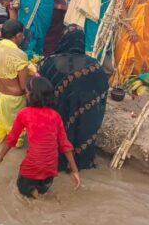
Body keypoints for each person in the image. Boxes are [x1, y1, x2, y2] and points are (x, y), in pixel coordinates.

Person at [0, 76, 81, 198]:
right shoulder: (55, 116)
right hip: (50, 168)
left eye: (27, 92)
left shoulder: (24, 114)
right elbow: (65, 145)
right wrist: (75, 171)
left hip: (32, 167)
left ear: (31, 95)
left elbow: (11, 140)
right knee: (42, 195)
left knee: (22, 196)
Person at [40, 25, 109, 170]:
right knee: (83, 131)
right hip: (85, 117)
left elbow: (41, 91)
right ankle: (80, 164)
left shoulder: (50, 63)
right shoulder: (94, 65)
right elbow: (102, 92)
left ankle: (56, 163)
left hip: (58, 115)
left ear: (63, 40)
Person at [0, 19, 31, 147]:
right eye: (22, 34)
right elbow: (24, 86)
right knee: (16, 140)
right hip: (14, 102)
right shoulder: (19, 55)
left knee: (2, 134)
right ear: (18, 35)